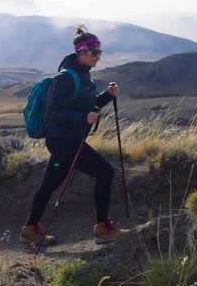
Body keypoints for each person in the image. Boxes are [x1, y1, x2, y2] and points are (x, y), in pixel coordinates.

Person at [21, 26, 129, 245]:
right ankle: (102, 226)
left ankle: (30, 228)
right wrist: (82, 119)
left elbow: (89, 106)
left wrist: (107, 96)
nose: (99, 57)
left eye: (100, 52)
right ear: (81, 53)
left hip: (68, 141)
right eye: (94, 52)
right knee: (105, 172)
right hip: (63, 141)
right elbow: (53, 113)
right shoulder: (65, 79)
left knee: (50, 183)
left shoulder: (84, 76)